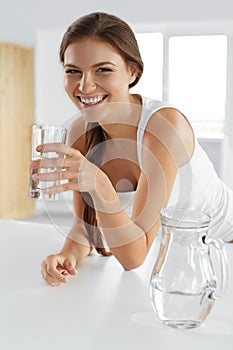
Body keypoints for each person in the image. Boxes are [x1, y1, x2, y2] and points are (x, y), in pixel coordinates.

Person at [31, 12, 233, 286]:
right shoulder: (80, 133)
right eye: (73, 71)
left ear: (132, 72)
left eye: (103, 69)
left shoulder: (163, 126)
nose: (84, 85)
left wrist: (99, 184)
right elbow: (84, 229)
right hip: (178, 256)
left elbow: (133, 257)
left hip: (224, 249)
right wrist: (66, 255)